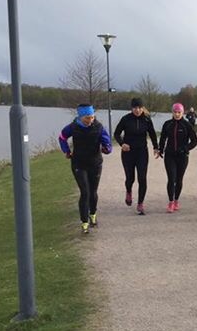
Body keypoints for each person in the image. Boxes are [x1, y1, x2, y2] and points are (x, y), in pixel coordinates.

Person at [58, 104, 113, 233]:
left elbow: (107, 143)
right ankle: (84, 222)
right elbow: (62, 137)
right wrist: (66, 151)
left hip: (95, 164)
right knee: (85, 192)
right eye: (87, 118)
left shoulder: (98, 127)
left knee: (93, 192)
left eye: (92, 117)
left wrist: (107, 149)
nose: (90, 120)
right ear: (80, 116)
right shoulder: (73, 127)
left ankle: (92, 214)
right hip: (79, 164)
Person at [113, 97, 160, 215]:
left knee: (142, 178)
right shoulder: (126, 119)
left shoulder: (147, 119)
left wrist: (156, 147)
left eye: (139, 107)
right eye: (135, 108)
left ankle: (140, 204)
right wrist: (122, 143)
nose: (137, 110)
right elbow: (117, 133)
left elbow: (152, 134)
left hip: (142, 152)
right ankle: (128, 191)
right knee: (130, 178)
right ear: (131, 108)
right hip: (128, 152)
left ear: (142, 108)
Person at [158, 103, 197, 212]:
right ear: (172, 112)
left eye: (179, 112)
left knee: (179, 179)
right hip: (170, 155)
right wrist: (160, 149)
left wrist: (185, 148)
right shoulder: (167, 124)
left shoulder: (187, 125)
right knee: (171, 179)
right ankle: (170, 202)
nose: (177, 114)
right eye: (175, 112)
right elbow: (163, 138)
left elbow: (195, 141)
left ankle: (176, 200)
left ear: (183, 113)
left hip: (182, 156)